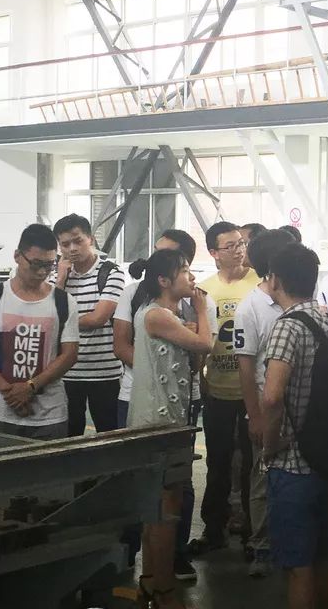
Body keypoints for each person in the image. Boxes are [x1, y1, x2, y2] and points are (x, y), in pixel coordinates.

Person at [114, 229, 216, 582]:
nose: (191, 277)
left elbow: (193, 362)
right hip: (158, 421)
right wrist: (201, 311)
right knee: (162, 505)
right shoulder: (156, 315)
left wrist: (191, 324)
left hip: (171, 417)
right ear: (163, 280)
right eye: (184, 271)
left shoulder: (166, 316)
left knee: (166, 504)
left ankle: (155, 579)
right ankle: (158, 582)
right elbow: (206, 344)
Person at [260, 243, 328, 609]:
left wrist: (270, 445)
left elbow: (272, 396)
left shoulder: (287, 327)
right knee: (325, 554)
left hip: (294, 465)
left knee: (298, 566)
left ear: (275, 280)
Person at [0, 224, 80, 440]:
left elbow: (69, 355)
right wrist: (10, 393)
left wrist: (31, 387)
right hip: (0, 414)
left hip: (49, 417)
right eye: (36, 264)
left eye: (49, 265)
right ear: (17, 256)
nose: (42, 272)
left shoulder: (64, 302)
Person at [234, 228, 297, 578]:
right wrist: (255, 416)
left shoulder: (300, 297)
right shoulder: (250, 308)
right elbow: (246, 368)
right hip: (266, 406)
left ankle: (288, 542)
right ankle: (261, 545)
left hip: (298, 407)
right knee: (262, 479)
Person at [194, 221, 259, 552]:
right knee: (217, 462)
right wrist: (201, 380)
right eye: (230, 246)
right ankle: (213, 527)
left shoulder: (259, 284)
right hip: (217, 389)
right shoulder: (203, 290)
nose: (238, 250)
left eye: (241, 244)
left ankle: (252, 529)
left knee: (251, 464)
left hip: (252, 392)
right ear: (214, 253)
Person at [52, 214, 125, 435]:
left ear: (91, 239)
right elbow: (49, 318)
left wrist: (63, 322)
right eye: (65, 244)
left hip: (105, 374)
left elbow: (97, 319)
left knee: (109, 436)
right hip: (66, 373)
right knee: (68, 436)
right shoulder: (56, 277)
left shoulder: (111, 273)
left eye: (78, 241)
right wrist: (61, 280)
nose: (72, 249)